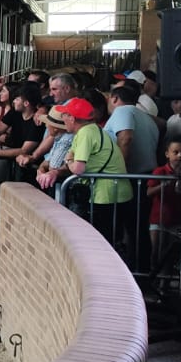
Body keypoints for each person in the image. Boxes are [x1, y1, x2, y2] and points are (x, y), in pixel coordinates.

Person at [60, 96, 134, 256]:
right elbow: (72, 152)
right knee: (111, 239)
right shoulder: (93, 129)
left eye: (64, 115)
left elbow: (78, 168)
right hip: (115, 193)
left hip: (106, 195)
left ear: (72, 118)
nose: (62, 119)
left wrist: (68, 162)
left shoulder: (86, 133)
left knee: (104, 242)